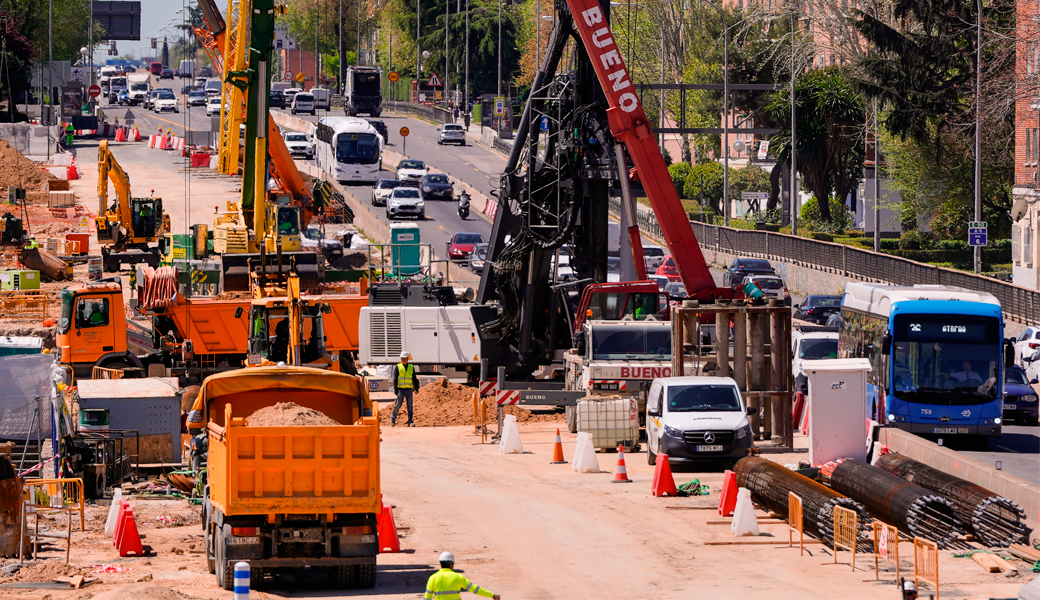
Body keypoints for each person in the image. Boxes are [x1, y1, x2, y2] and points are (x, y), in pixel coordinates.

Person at [424, 551, 499, 600]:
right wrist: (492, 595)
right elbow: (475, 589)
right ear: (451, 564)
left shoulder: (432, 578)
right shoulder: (458, 577)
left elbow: (427, 598)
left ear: (440, 564)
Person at [391, 350, 420, 427]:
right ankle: (393, 419)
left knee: (410, 405)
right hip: (400, 389)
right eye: (402, 358)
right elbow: (395, 379)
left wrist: (416, 387)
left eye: (404, 358)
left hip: (409, 389)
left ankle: (410, 421)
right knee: (398, 404)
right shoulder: (398, 367)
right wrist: (395, 389)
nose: (403, 359)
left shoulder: (411, 367)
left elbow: (414, 378)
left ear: (407, 359)